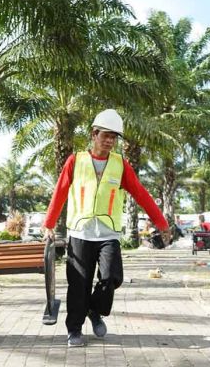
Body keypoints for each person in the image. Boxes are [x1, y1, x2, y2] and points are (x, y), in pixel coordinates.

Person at [43, 109, 169, 347]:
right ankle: (74, 330)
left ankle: (94, 308)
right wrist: (49, 223)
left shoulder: (120, 164)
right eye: (106, 135)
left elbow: (141, 194)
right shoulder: (75, 161)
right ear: (94, 134)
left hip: (108, 233)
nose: (110, 141)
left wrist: (161, 222)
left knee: (111, 277)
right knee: (78, 284)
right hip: (80, 232)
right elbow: (60, 191)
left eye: (114, 137)